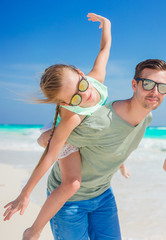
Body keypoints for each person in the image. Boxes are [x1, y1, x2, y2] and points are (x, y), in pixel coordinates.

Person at [2, 13, 132, 239]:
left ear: (81, 73)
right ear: (64, 103)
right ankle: (33, 230)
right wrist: (25, 192)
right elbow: (51, 154)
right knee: (72, 183)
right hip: (61, 133)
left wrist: (107, 25)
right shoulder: (72, 115)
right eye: (74, 98)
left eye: (81, 85)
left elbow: (104, 50)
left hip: (82, 131)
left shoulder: (95, 81)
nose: (85, 95)